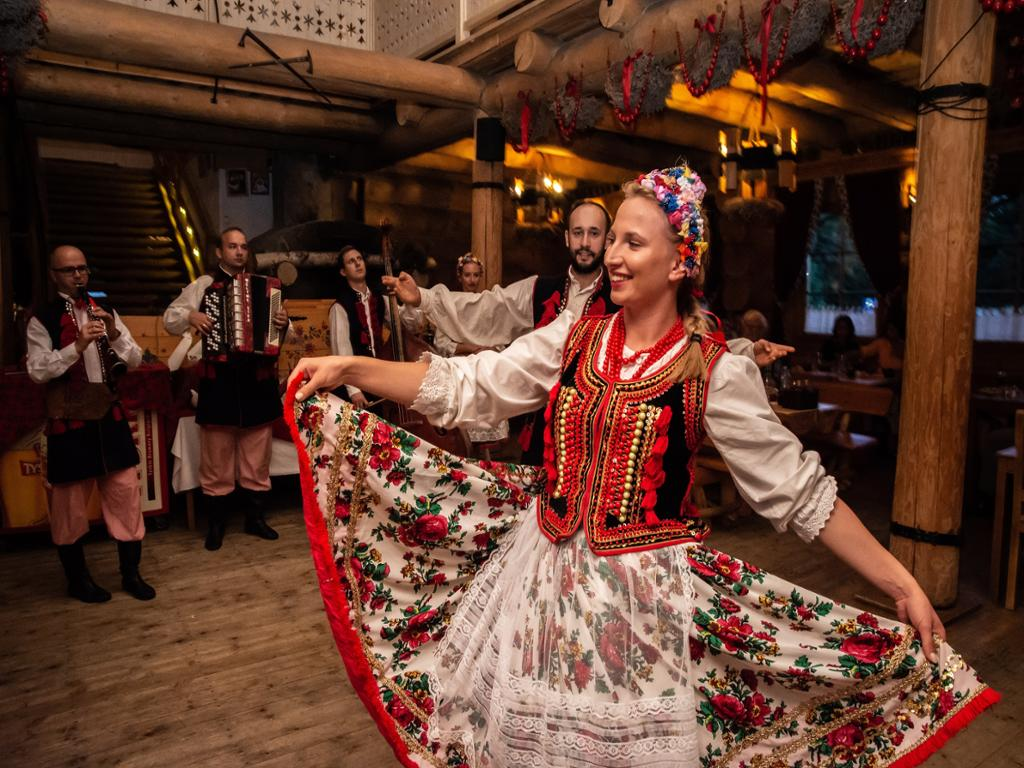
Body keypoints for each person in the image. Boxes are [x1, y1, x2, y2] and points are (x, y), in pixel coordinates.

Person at [286, 166, 995, 767]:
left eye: (633, 241)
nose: (613, 256)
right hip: (538, 580)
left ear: (681, 262)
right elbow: (473, 383)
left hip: (640, 604)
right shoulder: (574, 335)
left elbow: (801, 494)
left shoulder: (713, 371)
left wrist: (900, 581)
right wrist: (353, 367)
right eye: (613, 239)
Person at [26, 245, 155, 603]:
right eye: (69, 270)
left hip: (108, 418)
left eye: (82, 269)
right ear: (54, 276)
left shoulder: (105, 310)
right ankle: (77, 580)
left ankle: (131, 573)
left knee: (126, 494)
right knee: (68, 507)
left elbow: (135, 359)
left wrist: (113, 332)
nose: (78, 275)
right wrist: (76, 346)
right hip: (69, 420)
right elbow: (37, 371)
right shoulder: (42, 319)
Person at [163, 227, 288, 550]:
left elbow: (277, 336)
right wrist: (191, 315)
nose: (239, 251)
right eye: (232, 246)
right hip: (219, 383)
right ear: (219, 252)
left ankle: (255, 518)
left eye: (243, 246)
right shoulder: (204, 285)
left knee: (257, 458)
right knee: (216, 460)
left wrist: (282, 325)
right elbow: (170, 319)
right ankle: (216, 524)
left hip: (256, 383)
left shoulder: (266, 287)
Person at [328, 245, 392, 409]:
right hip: (357, 382)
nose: (357, 263)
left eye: (359, 259)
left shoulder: (381, 299)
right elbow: (342, 352)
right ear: (343, 272)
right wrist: (354, 391)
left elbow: (404, 323)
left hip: (381, 378)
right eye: (351, 261)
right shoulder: (340, 307)